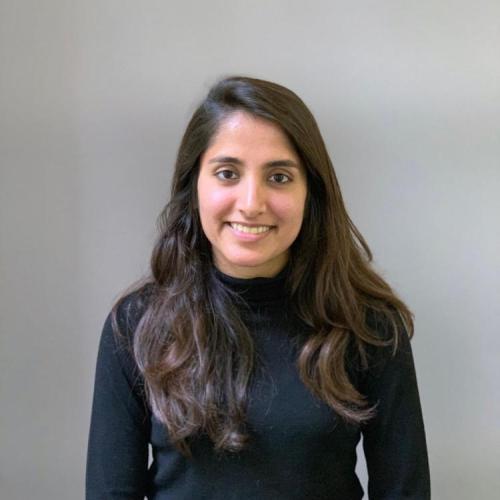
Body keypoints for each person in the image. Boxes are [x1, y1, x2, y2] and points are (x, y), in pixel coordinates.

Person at [86, 76, 430, 499]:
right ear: (194, 185)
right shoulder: (136, 326)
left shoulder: (369, 326)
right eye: (227, 173)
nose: (251, 202)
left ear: (311, 192)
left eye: (280, 177)